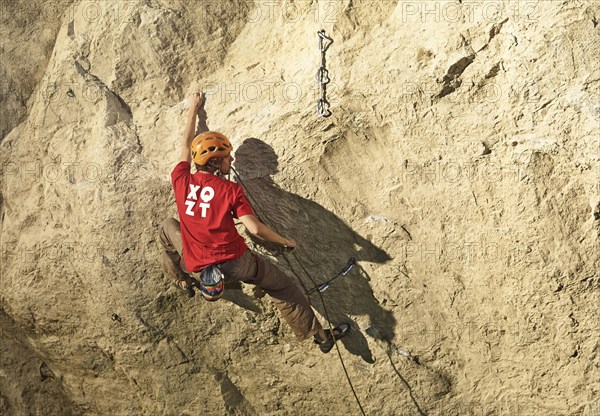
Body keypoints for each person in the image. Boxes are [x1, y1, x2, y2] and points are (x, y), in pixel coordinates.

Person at [159, 91, 349, 353]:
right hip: (237, 264)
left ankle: (182, 279)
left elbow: (184, 144)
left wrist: (194, 108)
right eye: (227, 157)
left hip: (197, 266)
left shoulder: (181, 180)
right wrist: (284, 241)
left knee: (168, 227)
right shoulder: (230, 192)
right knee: (282, 286)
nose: (231, 160)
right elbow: (256, 229)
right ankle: (319, 335)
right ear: (216, 162)